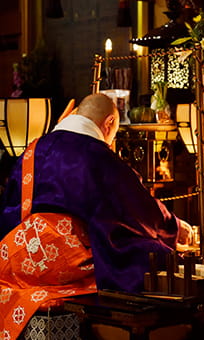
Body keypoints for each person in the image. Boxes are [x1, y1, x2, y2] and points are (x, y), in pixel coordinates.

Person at [0, 93, 193, 338]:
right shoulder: (97, 155)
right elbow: (137, 210)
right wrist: (174, 227)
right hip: (64, 264)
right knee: (153, 252)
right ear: (109, 123)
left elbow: (9, 205)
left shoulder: (33, 147)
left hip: (17, 261)